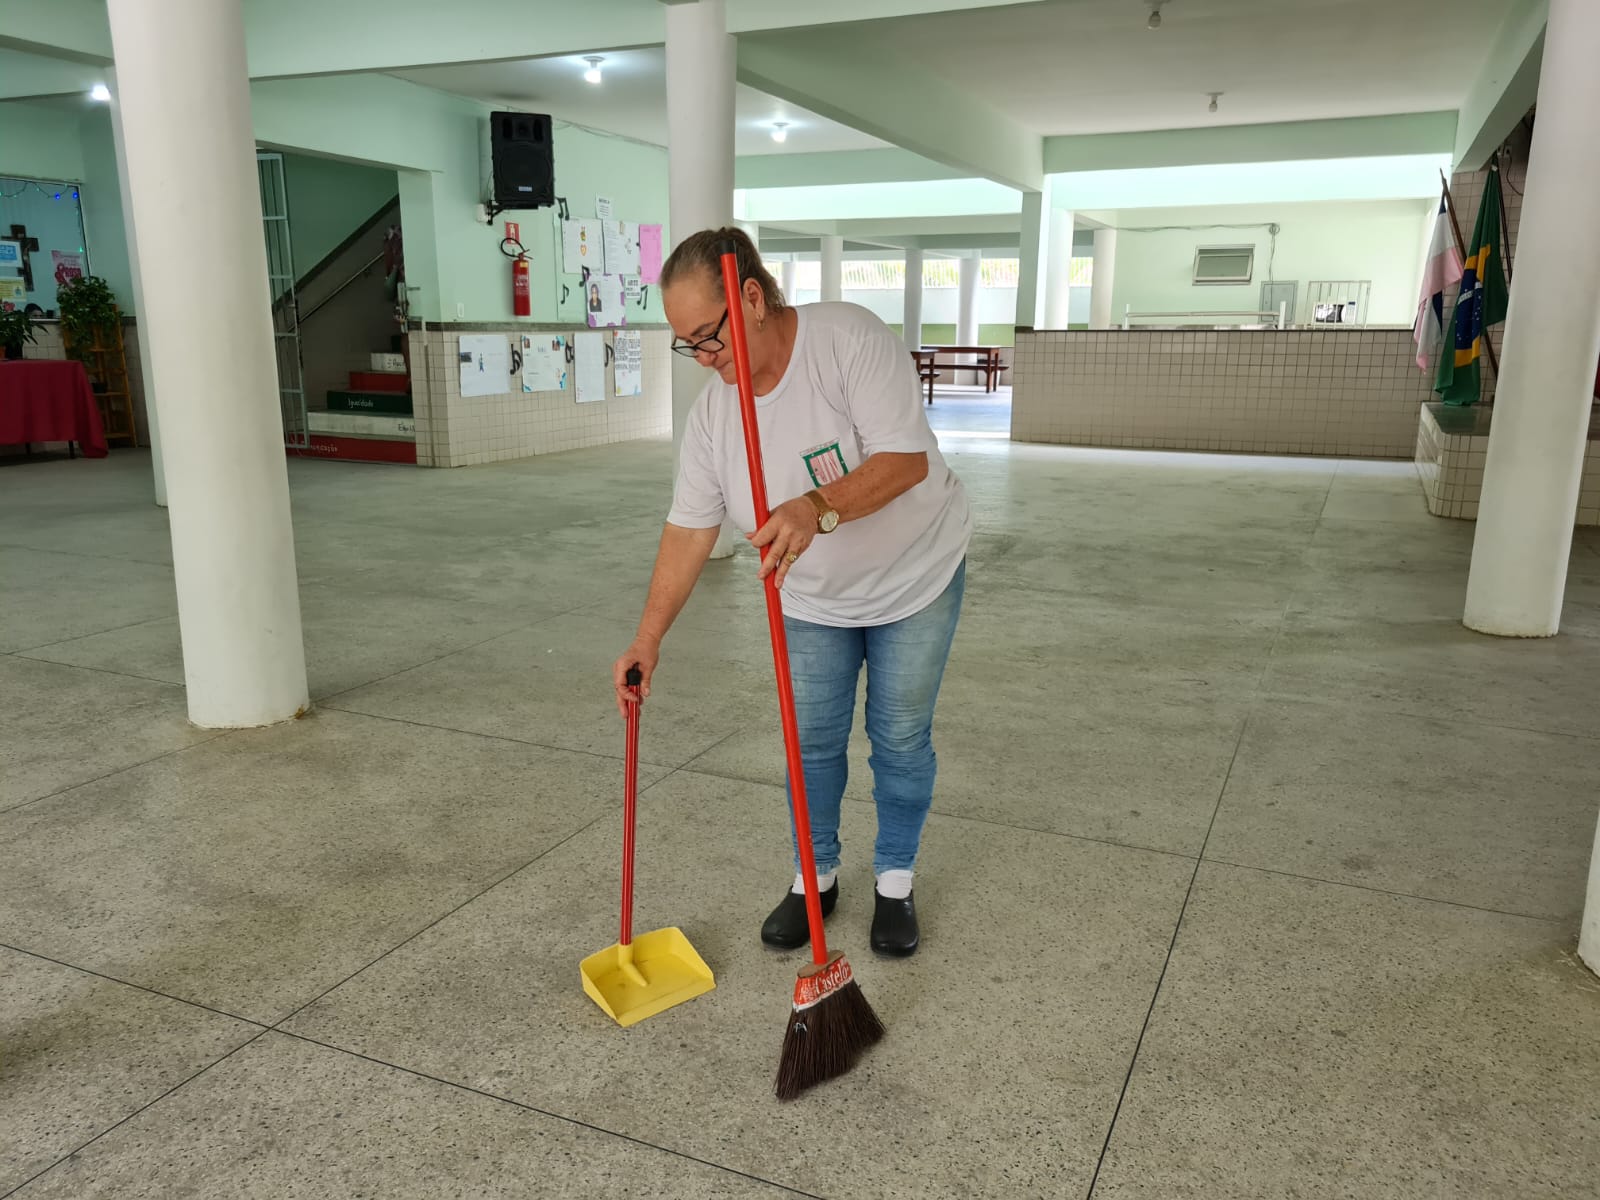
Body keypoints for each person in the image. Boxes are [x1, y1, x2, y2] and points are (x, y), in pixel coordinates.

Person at [610, 227, 971, 958]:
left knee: (898, 740)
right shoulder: (715, 418)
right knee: (809, 745)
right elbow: (688, 531)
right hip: (808, 598)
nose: (704, 360)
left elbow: (906, 463)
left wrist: (816, 507)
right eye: (687, 345)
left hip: (914, 578)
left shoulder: (847, 342)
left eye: (707, 337)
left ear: (752, 297)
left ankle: (895, 880)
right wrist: (648, 638)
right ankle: (816, 877)